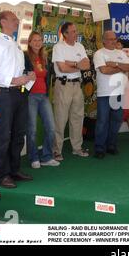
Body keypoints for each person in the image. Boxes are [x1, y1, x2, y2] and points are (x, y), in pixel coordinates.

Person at [0, 11, 35, 188]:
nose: (17, 21)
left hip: (20, 94)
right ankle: (3, 174)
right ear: (3, 22)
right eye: (14, 19)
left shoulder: (16, 45)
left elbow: (16, 72)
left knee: (19, 134)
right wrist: (13, 80)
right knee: (4, 136)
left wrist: (27, 77)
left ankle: (14, 170)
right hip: (5, 95)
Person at [52, 22, 91, 160]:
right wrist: (76, 64)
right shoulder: (58, 47)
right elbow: (62, 68)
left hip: (77, 85)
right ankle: (57, 150)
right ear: (65, 34)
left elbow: (86, 65)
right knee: (60, 118)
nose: (76, 33)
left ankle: (77, 147)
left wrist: (71, 63)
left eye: (76, 31)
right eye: (73, 31)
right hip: (63, 85)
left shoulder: (80, 46)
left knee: (77, 117)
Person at [93, 31, 129, 159]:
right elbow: (104, 70)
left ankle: (111, 145)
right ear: (103, 40)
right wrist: (121, 67)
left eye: (114, 39)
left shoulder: (121, 53)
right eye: (110, 39)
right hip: (104, 93)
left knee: (116, 120)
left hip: (118, 93)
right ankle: (99, 148)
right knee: (102, 121)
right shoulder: (99, 54)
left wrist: (115, 64)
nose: (113, 41)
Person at [24, 31, 60, 169]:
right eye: (34, 40)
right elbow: (22, 73)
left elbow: (47, 76)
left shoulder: (45, 57)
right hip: (30, 96)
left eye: (39, 40)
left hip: (43, 96)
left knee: (51, 128)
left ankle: (47, 157)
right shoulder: (25, 56)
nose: (37, 43)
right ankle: (33, 158)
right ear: (29, 42)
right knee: (32, 129)